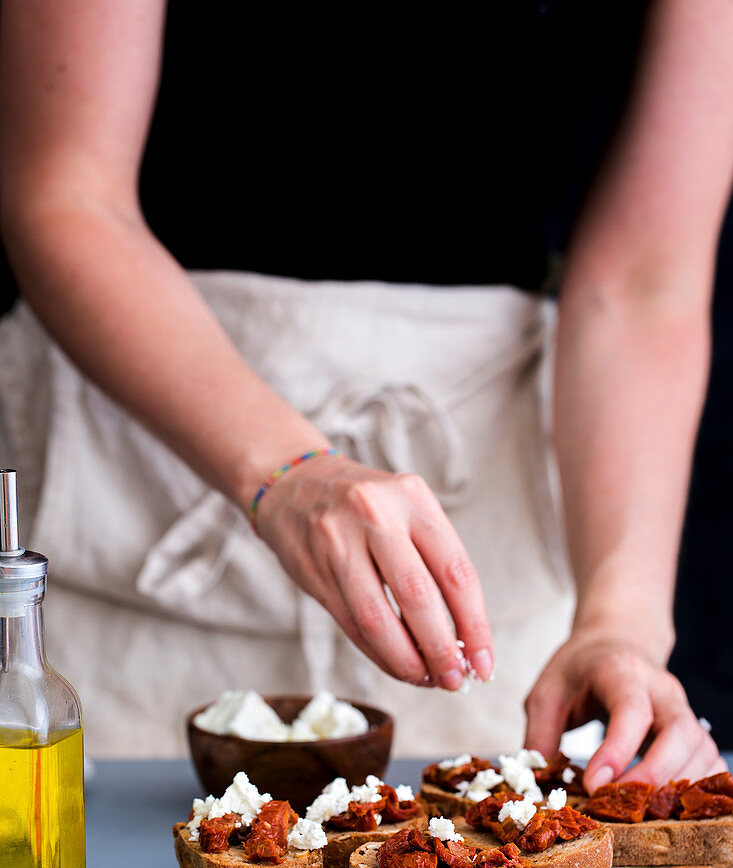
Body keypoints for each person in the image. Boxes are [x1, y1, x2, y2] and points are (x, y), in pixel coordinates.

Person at [0, 1, 729, 786]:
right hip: (135, 476)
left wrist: (619, 621)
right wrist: (291, 471)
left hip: (483, 546)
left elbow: (643, 286)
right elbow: (68, 196)